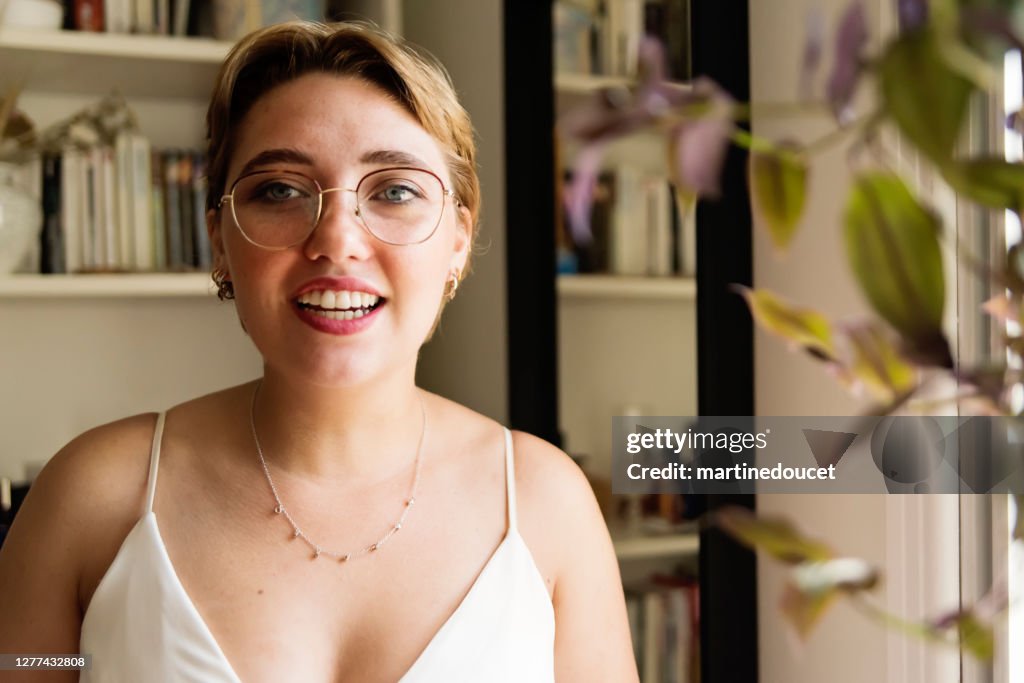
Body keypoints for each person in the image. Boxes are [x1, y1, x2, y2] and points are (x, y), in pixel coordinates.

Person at [0, 21, 638, 682]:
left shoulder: (546, 506)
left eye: (394, 190)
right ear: (218, 239)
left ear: (457, 238)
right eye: (280, 189)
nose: (337, 240)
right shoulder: (90, 501)